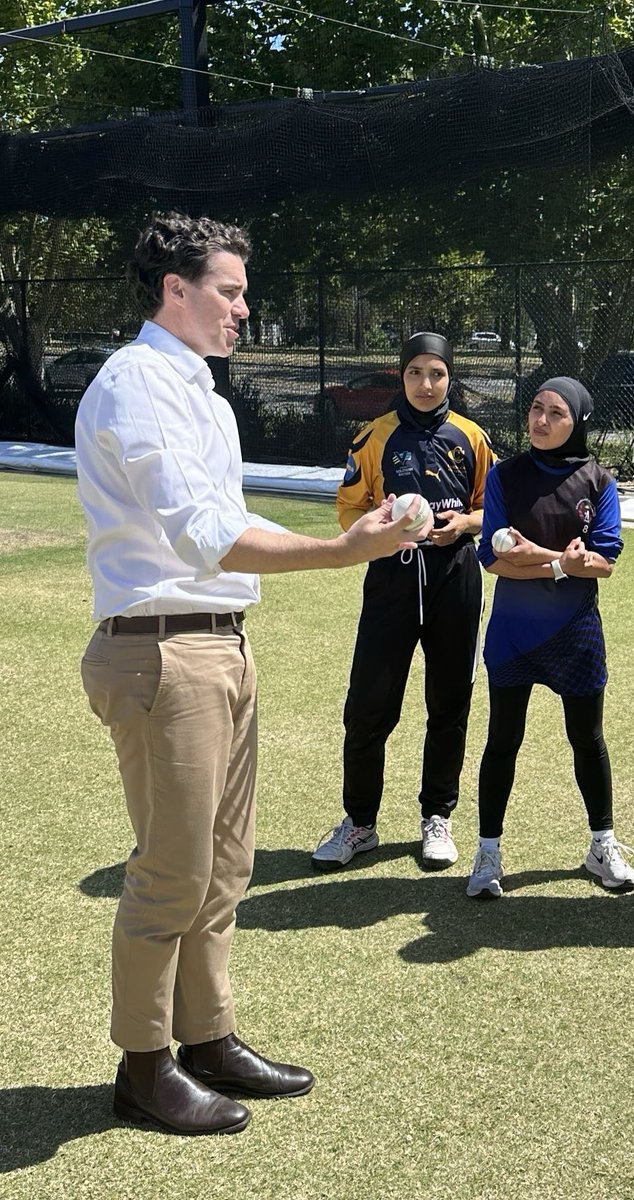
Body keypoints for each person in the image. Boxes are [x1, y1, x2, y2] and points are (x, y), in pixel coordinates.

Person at [76, 212, 427, 1137]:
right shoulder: (136, 385)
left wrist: (362, 528)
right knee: (172, 872)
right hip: (163, 649)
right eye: (228, 291)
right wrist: (345, 549)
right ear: (175, 291)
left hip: (218, 643)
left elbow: (219, 532)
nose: (243, 307)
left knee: (225, 866)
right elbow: (203, 534)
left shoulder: (200, 392)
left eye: (240, 290)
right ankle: (143, 1066)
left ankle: (207, 1037)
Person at [311, 332, 495, 871]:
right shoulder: (373, 437)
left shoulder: (472, 437)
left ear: (449, 378)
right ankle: (360, 824)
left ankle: (437, 817)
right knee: (368, 706)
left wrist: (463, 523)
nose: (425, 383)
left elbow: (494, 509)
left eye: (436, 373)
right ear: (401, 375)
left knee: (449, 703)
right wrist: (381, 530)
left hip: (454, 581)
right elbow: (349, 509)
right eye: (414, 372)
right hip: (391, 582)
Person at [466, 376, 634, 898]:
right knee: (502, 742)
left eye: (556, 413)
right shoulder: (504, 475)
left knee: (587, 739)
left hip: (576, 633)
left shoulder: (599, 481)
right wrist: (562, 563)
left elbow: (603, 564)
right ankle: (488, 853)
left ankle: (601, 845)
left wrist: (541, 558)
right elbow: (496, 560)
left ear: (579, 421)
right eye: (536, 409)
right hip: (513, 633)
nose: (540, 421)